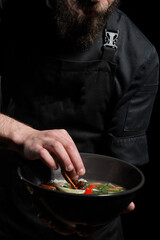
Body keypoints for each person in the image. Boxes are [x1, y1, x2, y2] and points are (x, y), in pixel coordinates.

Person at [0, 0, 159, 239]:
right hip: (9, 218)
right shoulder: (8, 19)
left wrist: (106, 208)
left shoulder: (138, 56)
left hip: (93, 227)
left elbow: (124, 172)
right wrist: (21, 134)